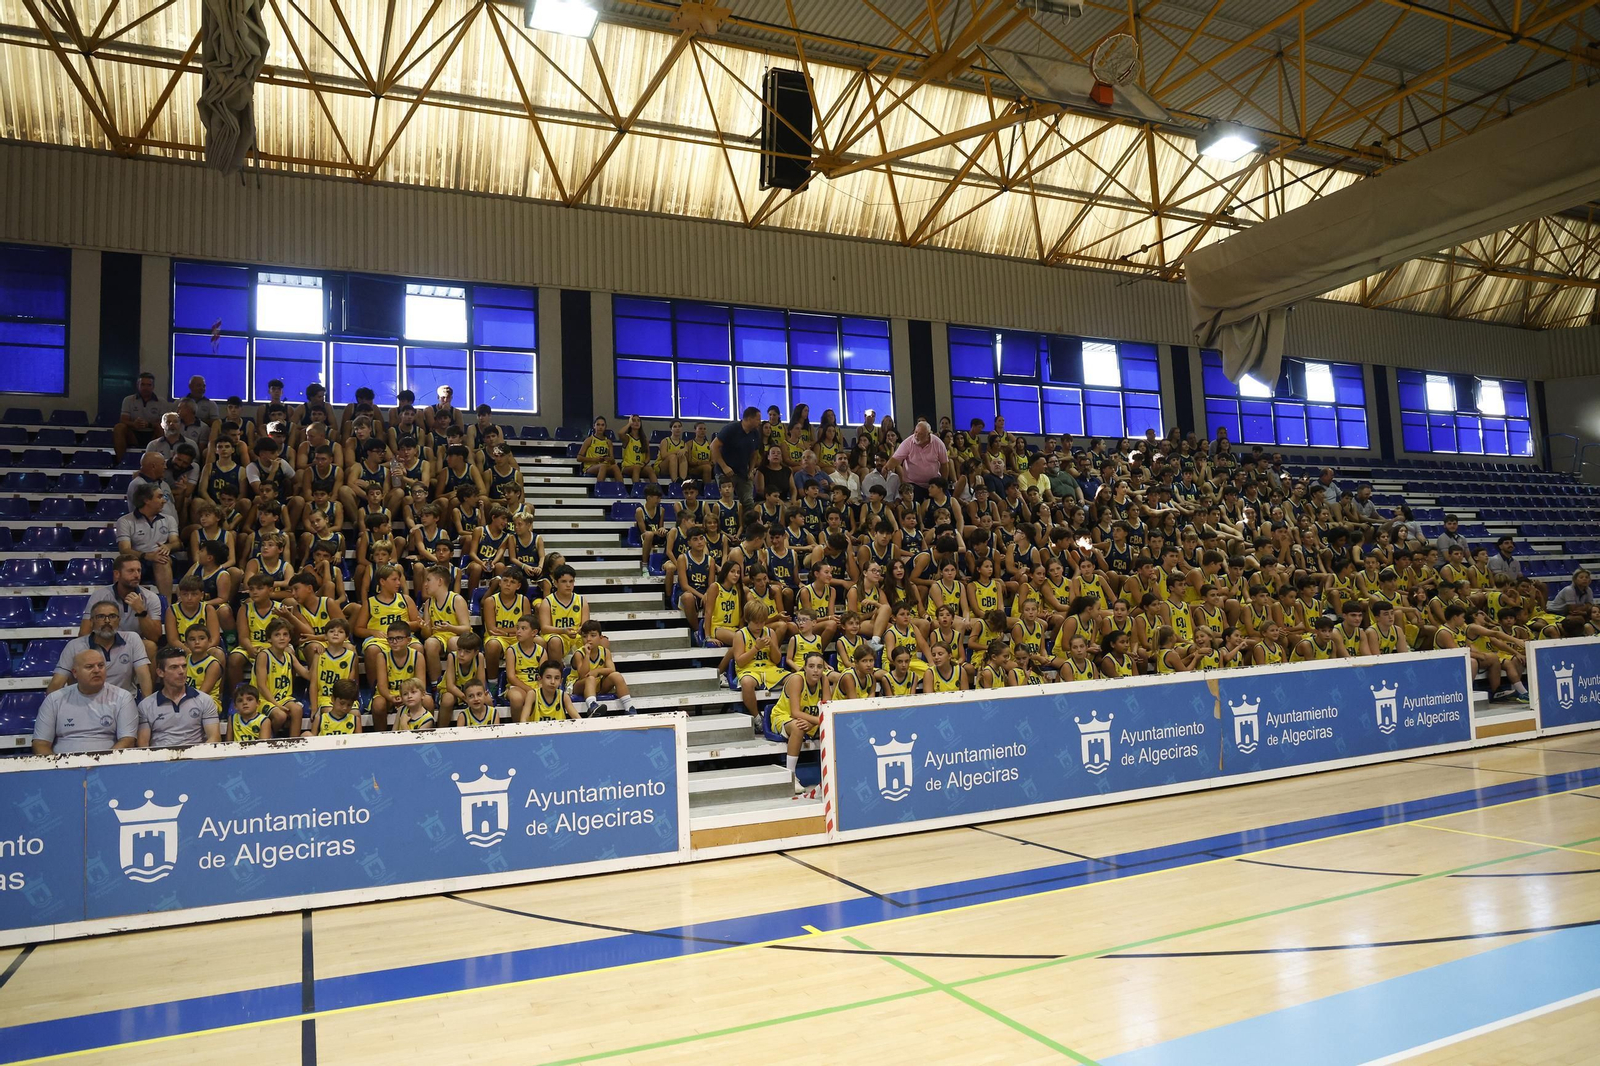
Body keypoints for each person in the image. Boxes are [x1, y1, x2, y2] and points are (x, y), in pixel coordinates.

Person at [32, 649, 139, 755]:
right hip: (62, 767)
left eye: (101, 666)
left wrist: (103, 763)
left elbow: (127, 741)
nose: (97, 670)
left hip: (107, 765)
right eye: (89, 667)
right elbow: (40, 744)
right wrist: (57, 769)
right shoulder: (54, 700)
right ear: (75, 673)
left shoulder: (123, 698)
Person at [52, 601, 153, 697]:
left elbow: (143, 676)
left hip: (124, 703)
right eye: (101, 616)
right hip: (87, 704)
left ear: (119, 620)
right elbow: (57, 683)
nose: (107, 621)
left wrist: (147, 709)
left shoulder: (132, 639)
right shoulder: (74, 646)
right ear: (91, 621)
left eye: (112, 616)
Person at [137, 645, 221, 747]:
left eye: (184, 666)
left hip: (196, 759)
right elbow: (143, 745)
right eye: (174, 667)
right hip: (160, 760)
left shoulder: (205, 700)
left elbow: (214, 738)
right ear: (160, 672)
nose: (181, 671)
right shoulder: (146, 705)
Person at [770, 651, 829, 795]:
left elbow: (827, 708)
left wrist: (814, 723)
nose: (816, 670)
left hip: (810, 720)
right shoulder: (797, 679)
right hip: (783, 716)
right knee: (798, 727)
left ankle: (831, 776)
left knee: (832, 727)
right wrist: (818, 721)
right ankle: (791, 775)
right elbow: (795, 712)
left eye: (819, 667)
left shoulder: (824, 680)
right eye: (811, 666)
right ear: (805, 667)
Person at [81, 554, 163, 647]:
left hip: (134, 645)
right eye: (131, 571)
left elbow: (155, 637)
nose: (136, 575)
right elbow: (84, 633)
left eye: (139, 570)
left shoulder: (151, 597)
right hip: (105, 642)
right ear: (117, 574)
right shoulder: (99, 596)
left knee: (150, 646)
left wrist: (141, 611)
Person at [116, 482, 181, 596]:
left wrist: (168, 546)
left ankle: (167, 607)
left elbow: (177, 543)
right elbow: (124, 550)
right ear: (146, 500)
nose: (164, 501)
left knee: (162, 560)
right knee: (126, 564)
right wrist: (147, 555)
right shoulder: (125, 521)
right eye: (160, 497)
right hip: (139, 559)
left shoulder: (169, 519)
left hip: (163, 558)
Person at [711, 406, 764, 506]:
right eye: (758, 419)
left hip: (743, 472)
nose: (760, 422)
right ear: (749, 419)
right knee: (727, 502)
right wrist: (724, 466)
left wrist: (751, 470)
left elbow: (754, 454)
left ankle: (749, 521)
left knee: (749, 502)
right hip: (725, 472)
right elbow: (714, 446)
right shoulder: (731, 429)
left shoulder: (755, 434)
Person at [887, 420, 951, 500]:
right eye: (916, 432)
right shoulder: (908, 442)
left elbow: (944, 464)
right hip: (913, 483)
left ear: (928, 434)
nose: (916, 436)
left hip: (933, 482)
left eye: (920, 434)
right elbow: (895, 459)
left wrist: (942, 484)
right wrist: (886, 468)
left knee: (947, 501)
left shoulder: (938, 443)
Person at [114, 371, 165, 458]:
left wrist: (148, 424)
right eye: (143, 384)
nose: (146, 388)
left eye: (149, 385)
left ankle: (161, 461)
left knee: (161, 428)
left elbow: (164, 422)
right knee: (119, 427)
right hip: (134, 434)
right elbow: (123, 420)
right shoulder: (128, 400)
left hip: (153, 434)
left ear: (153, 387)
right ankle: (120, 461)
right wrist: (134, 424)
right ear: (138, 385)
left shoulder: (162, 402)